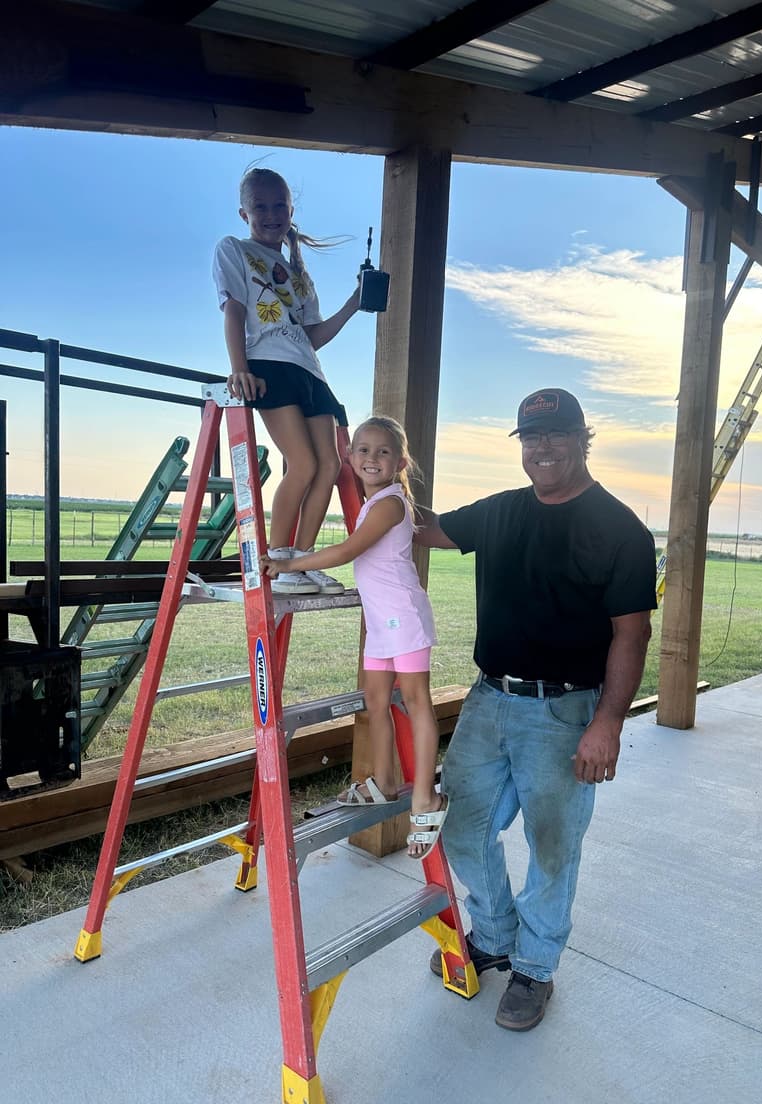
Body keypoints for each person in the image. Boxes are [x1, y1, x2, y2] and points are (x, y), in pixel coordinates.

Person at [415, 387, 657, 1031]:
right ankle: (494, 935)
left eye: (556, 434)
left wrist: (608, 721)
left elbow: (632, 634)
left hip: (566, 712)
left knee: (552, 847)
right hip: (489, 699)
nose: (543, 448)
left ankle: (536, 968)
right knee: (460, 826)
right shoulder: (500, 513)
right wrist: (370, 473)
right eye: (531, 437)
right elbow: (423, 527)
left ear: (584, 438)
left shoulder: (620, 529)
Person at [261, 416, 449, 860]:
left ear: (400, 461)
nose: (371, 458)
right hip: (382, 621)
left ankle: (426, 796)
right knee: (376, 702)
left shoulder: (390, 502)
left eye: (383, 451)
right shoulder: (372, 501)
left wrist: (290, 563)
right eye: (362, 449)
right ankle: (385, 780)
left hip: (403, 617)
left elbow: (348, 551)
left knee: (417, 702)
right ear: (349, 456)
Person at [213, 166, 360, 596]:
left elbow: (312, 336)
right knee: (304, 464)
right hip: (269, 365)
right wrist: (239, 366)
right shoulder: (234, 249)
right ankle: (278, 561)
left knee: (330, 466)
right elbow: (234, 310)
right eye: (261, 206)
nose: (271, 213)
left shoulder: (299, 274)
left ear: (291, 211)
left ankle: (302, 559)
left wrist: (353, 304)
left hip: (309, 371)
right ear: (244, 213)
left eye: (280, 205)